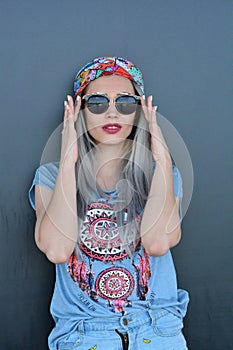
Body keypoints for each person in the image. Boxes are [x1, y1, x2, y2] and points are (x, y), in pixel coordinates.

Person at [28, 56, 189, 350]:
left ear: (139, 111)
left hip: (158, 329)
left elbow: (157, 243)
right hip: (85, 334)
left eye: (125, 102)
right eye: (98, 103)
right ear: (79, 111)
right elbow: (57, 249)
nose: (112, 113)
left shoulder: (161, 175)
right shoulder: (50, 176)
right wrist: (67, 161)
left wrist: (163, 159)